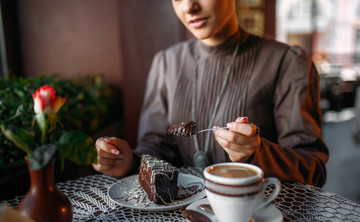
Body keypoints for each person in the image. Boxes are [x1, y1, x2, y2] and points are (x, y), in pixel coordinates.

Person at [93, 0, 329, 187]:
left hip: (254, 219)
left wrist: (255, 154)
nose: (189, 7)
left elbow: (313, 169)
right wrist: (129, 162)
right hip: (181, 219)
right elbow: (157, 146)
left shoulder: (287, 62)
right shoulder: (166, 62)